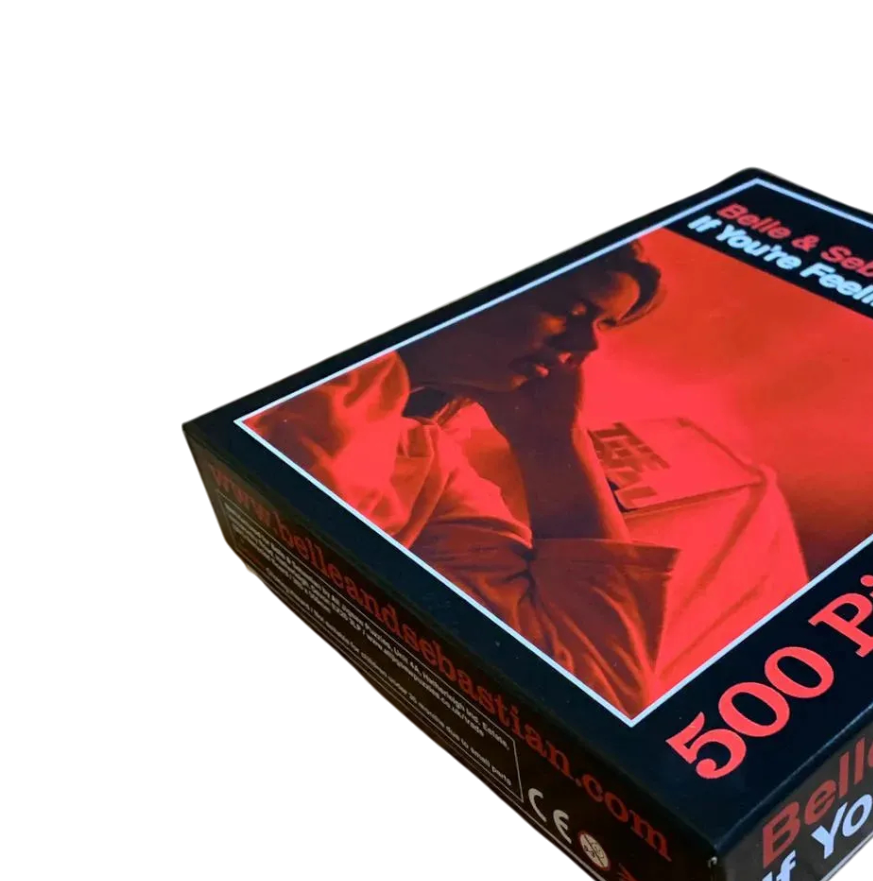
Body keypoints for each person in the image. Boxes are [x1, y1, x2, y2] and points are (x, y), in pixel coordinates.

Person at [249, 243, 678, 716]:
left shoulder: (427, 462)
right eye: (570, 310)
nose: (589, 346)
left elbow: (604, 688)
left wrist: (553, 440)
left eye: (603, 325)